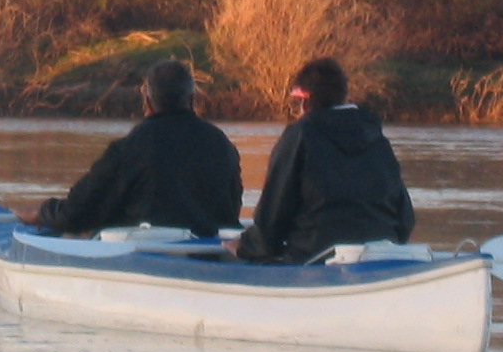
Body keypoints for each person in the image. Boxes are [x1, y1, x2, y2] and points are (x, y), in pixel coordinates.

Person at [24, 59, 244, 238]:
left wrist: (44, 212)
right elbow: (232, 209)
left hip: (148, 252)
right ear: (192, 99)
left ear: (148, 102)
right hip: (211, 253)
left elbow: (77, 212)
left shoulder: (130, 148)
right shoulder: (223, 145)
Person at [235, 57, 414, 264]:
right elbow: (404, 218)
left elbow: (274, 214)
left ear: (304, 100)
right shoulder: (377, 139)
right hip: (379, 256)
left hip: (313, 257)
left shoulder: (300, 134)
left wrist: (246, 245)